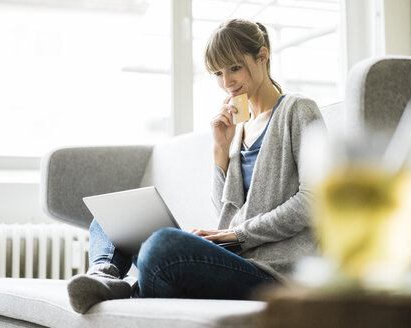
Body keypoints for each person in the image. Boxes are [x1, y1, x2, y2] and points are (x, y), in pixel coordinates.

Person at [67, 18, 324, 314]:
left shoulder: (298, 110)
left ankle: (135, 290)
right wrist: (220, 149)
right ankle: (105, 276)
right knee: (112, 221)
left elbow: (313, 202)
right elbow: (226, 214)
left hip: (275, 275)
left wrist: (236, 235)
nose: (226, 82)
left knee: (163, 245)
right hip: (234, 257)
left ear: (262, 57)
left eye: (235, 68)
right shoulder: (238, 127)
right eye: (217, 72)